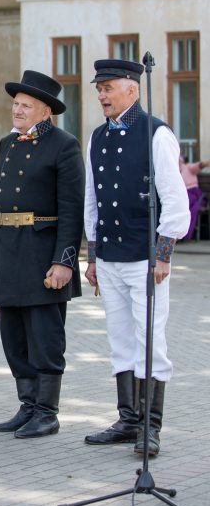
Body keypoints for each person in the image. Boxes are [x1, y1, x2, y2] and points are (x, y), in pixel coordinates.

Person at [83, 59, 189, 456]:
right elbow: (92, 200)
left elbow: (175, 200)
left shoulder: (156, 133)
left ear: (133, 88)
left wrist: (163, 255)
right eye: (99, 89)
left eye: (108, 88)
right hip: (110, 257)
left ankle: (150, 426)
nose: (101, 95)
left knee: (149, 339)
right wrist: (93, 256)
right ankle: (128, 419)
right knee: (120, 339)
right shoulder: (97, 137)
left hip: (145, 259)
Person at [0, 71, 84, 438]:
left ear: (45, 112)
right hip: (8, 252)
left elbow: (72, 209)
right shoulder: (6, 145)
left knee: (44, 336)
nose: (18, 110)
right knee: (14, 337)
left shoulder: (64, 145)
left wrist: (64, 261)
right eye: (16, 104)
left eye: (26, 105)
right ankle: (27, 405)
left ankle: (47, 412)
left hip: (42, 256)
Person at [179, 155, 209, 240]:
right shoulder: (174, 170)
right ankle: (179, 233)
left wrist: (204, 164)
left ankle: (184, 235)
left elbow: (197, 166)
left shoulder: (187, 167)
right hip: (182, 194)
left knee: (185, 205)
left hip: (193, 194)